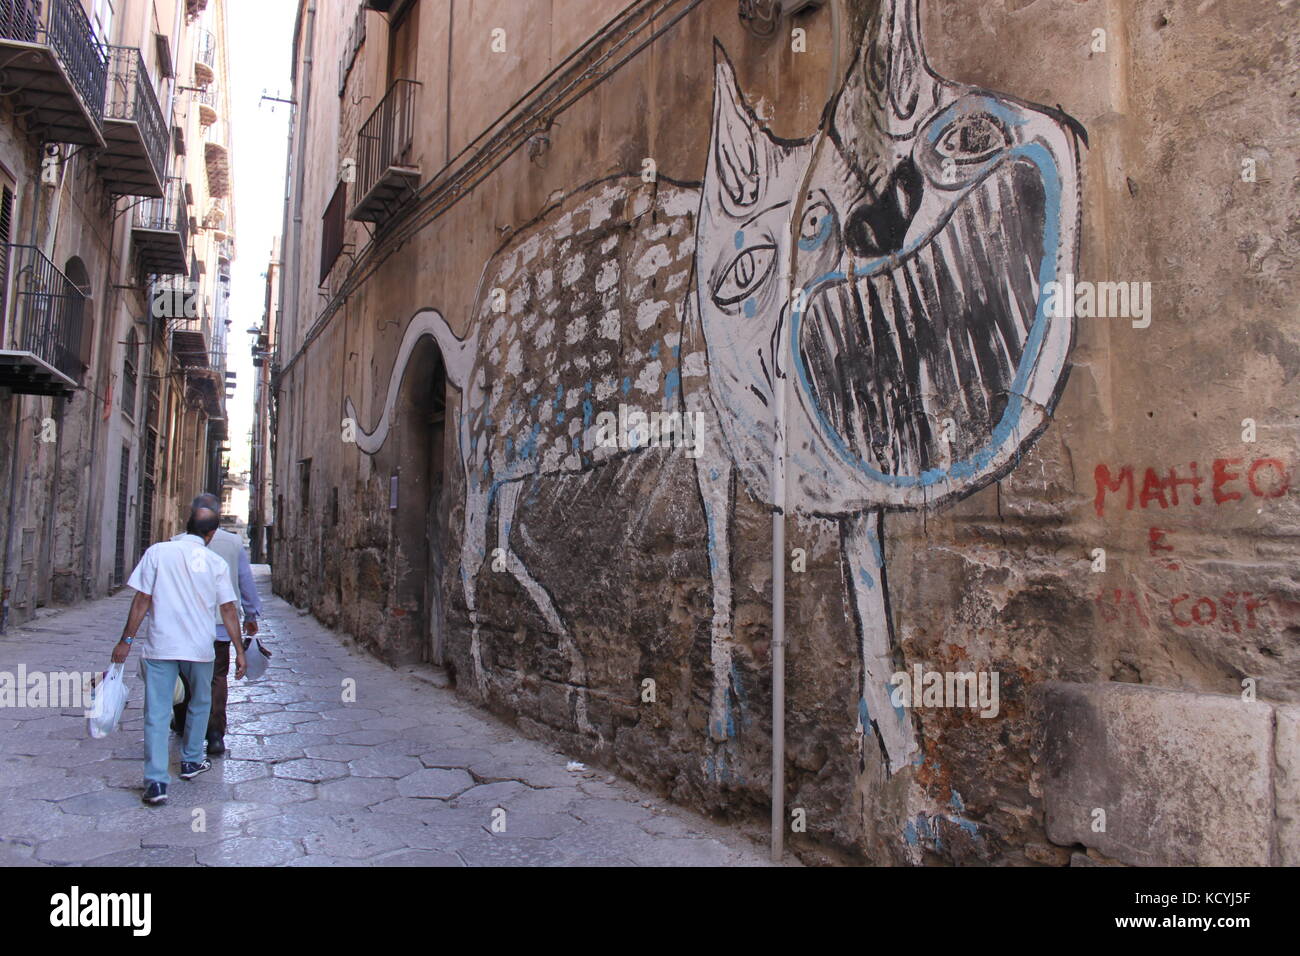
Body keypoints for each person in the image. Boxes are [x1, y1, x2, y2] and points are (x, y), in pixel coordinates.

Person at [113, 506, 247, 805]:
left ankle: (156, 782)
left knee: (157, 713)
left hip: (162, 645)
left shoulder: (158, 552)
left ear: (186, 526)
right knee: (201, 701)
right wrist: (239, 649)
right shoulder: (214, 562)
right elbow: (227, 609)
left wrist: (126, 640)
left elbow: (142, 599)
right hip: (200, 647)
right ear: (211, 534)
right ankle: (190, 761)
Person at [172, 493, 263, 756]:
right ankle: (214, 735)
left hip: (185, 624)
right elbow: (245, 580)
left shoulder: (175, 543)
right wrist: (251, 614)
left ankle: (184, 724)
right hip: (219, 626)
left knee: (184, 675)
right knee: (216, 678)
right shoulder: (233, 543)